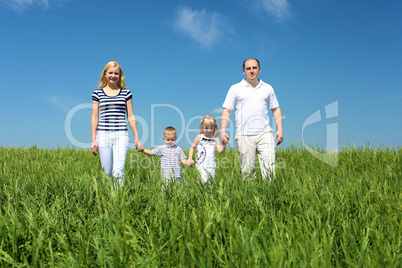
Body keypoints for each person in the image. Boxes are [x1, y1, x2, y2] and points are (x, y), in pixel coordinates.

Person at [221, 58, 283, 180]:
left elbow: (275, 109)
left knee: (269, 166)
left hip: (265, 133)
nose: (252, 71)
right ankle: (250, 196)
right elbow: (227, 111)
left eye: (254, 68)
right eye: (248, 68)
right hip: (244, 134)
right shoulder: (235, 88)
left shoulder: (268, 88)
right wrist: (223, 131)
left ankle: (270, 194)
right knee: (248, 170)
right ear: (243, 71)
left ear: (259, 70)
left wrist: (280, 129)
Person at [91, 61, 143, 187]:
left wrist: (136, 137)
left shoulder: (126, 93)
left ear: (120, 76)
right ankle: (107, 198)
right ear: (105, 74)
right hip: (103, 135)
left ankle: (119, 200)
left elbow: (130, 116)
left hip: (121, 135)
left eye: (116, 73)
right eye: (110, 73)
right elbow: (94, 116)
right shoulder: (97, 93)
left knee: (118, 170)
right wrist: (93, 139)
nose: (113, 75)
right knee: (107, 171)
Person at [187, 115, 226, 183]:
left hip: (211, 165)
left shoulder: (215, 139)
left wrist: (224, 145)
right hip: (201, 164)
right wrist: (190, 158)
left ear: (214, 128)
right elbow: (192, 147)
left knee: (211, 183)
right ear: (202, 127)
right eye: (206, 128)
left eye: (211, 128)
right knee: (203, 181)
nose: (208, 130)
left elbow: (220, 151)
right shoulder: (199, 137)